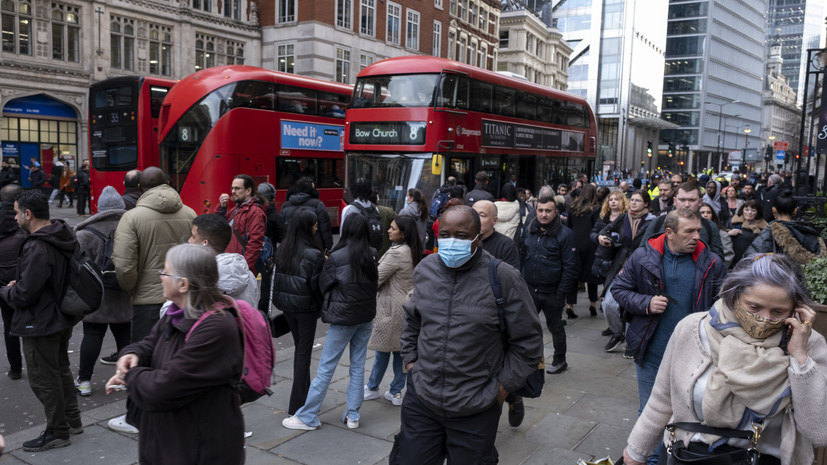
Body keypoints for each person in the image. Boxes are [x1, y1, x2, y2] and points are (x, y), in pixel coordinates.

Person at [622, 253, 827, 465]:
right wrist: (637, 451)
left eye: (778, 312)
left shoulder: (808, 344)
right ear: (734, 295)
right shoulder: (693, 329)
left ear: (796, 308)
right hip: (689, 456)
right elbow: (662, 397)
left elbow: (819, 432)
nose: (764, 319)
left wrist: (800, 359)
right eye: (754, 307)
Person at [396, 205, 543, 464]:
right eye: (445, 234)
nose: (452, 241)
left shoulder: (503, 277)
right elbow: (411, 319)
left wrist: (500, 389)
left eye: (462, 235)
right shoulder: (426, 269)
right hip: (423, 399)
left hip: (476, 405)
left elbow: (528, 342)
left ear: (479, 237)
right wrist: (411, 363)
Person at [105, 244, 245, 465]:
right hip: (171, 439)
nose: (161, 276)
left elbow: (162, 387)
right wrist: (132, 353)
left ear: (183, 284)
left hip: (198, 447)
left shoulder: (216, 328)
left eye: (165, 271)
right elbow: (150, 343)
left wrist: (129, 376)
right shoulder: (177, 313)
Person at [612, 209, 726, 464]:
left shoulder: (712, 263)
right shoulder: (642, 257)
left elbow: (725, 306)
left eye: (699, 231)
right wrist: (646, 302)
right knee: (651, 414)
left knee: (686, 418)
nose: (697, 236)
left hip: (695, 359)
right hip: (652, 351)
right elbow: (619, 289)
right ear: (670, 232)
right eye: (690, 231)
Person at [110, 166, 196, 434]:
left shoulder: (132, 218)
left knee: (143, 358)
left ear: (140, 189)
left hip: (147, 300)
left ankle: (136, 417)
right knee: (179, 357)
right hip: (183, 298)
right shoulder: (190, 212)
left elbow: (124, 267)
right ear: (168, 182)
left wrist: (131, 289)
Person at [0, 190, 82, 452]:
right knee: (60, 370)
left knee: (43, 378)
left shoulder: (37, 245)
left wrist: (7, 290)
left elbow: (25, 293)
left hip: (41, 320)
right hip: (61, 315)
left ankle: (57, 431)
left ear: (28, 214)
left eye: (16, 212)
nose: (14, 217)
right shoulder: (62, 233)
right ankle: (72, 421)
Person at [282, 214, 378, 431]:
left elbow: (324, 283)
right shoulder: (371, 254)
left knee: (326, 368)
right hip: (365, 317)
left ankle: (307, 416)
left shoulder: (337, 256)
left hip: (343, 317)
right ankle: (353, 415)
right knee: (357, 366)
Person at [73, 186, 132, 397]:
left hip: (95, 295)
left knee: (92, 334)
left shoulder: (84, 233)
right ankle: (127, 379)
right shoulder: (131, 226)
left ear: (99, 206)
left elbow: (76, 267)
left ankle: (85, 381)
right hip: (124, 292)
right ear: (121, 206)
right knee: (125, 335)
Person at [473, 199, 526, 428]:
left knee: (497, 376)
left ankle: (513, 398)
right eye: (473, 213)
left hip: (493, 320)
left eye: (483, 215)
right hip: (469, 320)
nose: (477, 218)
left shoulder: (505, 245)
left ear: (494, 221)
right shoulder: (463, 242)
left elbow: (512, 284)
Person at [272, 210, 326, 415]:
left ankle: (304, 393)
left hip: (287, 307)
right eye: (314, 224)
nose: (316, 227)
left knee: (300, 349)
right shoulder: (314, 254)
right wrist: (322, 306)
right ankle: (298, 404)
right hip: (306, 309)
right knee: (303, 352)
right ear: (307, 227)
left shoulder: (284, 248)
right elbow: (317, 286)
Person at [364, 215, 422, 407]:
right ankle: (396, 391)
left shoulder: (397, 252)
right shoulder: (413, 250)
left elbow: (377, 277)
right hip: (407, 305)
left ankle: (372, 388)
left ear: (403, 233)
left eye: (393, 228)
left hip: (391, 307)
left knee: (382, 351)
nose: (388, 230)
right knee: (400, 352)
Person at [521, 196, 578, 374]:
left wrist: (560, 294)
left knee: (555, 327)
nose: (544, 214)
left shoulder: (566, 235)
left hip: (552, 292)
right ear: (535, 211)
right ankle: (526, 359)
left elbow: (570, 267)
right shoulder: (529, 230)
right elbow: (522, 256)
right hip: (530, 288)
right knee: (524, 326)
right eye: (540, 210)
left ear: (556, 213)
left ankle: (560, 359)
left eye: (548, 211)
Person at [639, 182, 725, 259]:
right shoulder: (658, 222)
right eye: (682, 200)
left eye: (692, 200)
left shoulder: (709, 226)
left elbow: (718, 260)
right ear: (675, 201)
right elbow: (642, 253)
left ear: (700, 202)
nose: (687, 205)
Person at [189, 214, 260, 306]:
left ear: (205, 243)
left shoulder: (201, 280)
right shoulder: (249, 276)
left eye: (193, 236)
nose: (189, 240)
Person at [746, 190, 826, 263]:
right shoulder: (808, 233)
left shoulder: (767, 234)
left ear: (773, 210)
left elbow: (749, 261)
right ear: (795, 211)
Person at [216, 174, 267, 275]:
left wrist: (243, 269)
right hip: (231, 265)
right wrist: (221, 208)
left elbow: (255, 244)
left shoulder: (255, 213)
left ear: (248, 191)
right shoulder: (236, 209)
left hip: (240, 269)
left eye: (237, 188)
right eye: (232, 188)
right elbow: (217, 227)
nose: (233, 191)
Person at [0, 184, 25, 380]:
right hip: (24, 278)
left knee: (9, 325)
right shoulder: (25, 218)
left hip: (2, 282)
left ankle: (15, 368)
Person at [566, 183, 601, 318]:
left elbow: (568, 227)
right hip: (591, 245)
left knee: (573, 276)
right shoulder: (596, 209)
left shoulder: (573, 207)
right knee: (592, 277)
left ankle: (570, 305)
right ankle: (592, 304)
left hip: (575, 244)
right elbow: (596, 227)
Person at [255, 182, 286, 312]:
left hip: (250, 253)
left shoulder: (252, 213)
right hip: (268, 256)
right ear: (272, 199)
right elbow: (283, 237)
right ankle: (263, 316)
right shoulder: (274, 216)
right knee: (266, 288)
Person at [281, 176, 333, 253]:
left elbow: (282, 229)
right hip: (314, 247)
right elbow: (325, 228)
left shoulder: (286, 206)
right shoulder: (318, 205)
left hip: (292, 247)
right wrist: (327, 246)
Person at [474, 200, 520, 269]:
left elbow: (510, 276)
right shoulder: (465, 241)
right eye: (473, 215)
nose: (476, 219)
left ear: (495, 220)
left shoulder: (506, 244)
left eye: (482, 215)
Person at [727, 199, 768, 265]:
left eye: (753, 210)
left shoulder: (764, 227)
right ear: (742, 210)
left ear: (758, 212)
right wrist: (728, 233)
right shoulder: (733, 222)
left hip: (753, 261)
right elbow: (721, 236)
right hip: (733, 260)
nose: (749, 212)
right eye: (746, 210)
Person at [699, 202, 735, 268]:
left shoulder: (722, 233)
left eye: (708, 212)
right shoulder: (696, 232)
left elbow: (728, 256)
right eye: (702, 212)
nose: (705, 215)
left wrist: (719, 269)